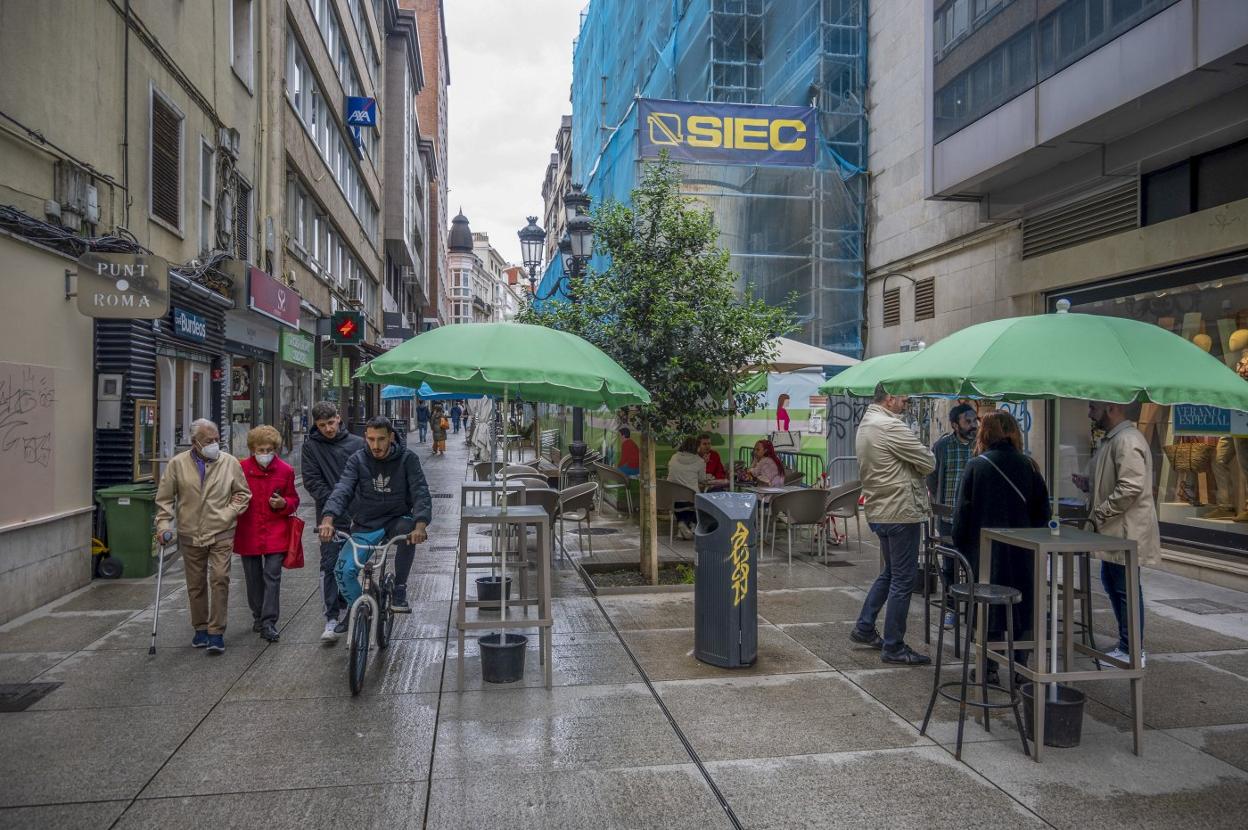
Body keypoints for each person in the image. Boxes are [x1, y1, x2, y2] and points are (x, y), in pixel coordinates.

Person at [951, 411, 1049, 684]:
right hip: (1025, 553)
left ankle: (988, 667)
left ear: (985, 434)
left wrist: (963, 548)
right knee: (1022, 605)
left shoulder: (976, 466)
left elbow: (961, 517)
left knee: (988, 608)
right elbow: (1044, 513)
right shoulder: (1030, 466)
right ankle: (1021, 666)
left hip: (986, 554)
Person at [850, 385, 936, 666]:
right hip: (900, 512)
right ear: (890, 399)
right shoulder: (890, 426)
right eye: (904, 400)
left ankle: (864, 627)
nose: (907, 404)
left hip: (880, 510)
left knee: (890, 574)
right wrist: (915, 465)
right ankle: (894, 646)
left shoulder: (866, 423)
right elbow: (928, 461)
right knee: (903, 579)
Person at [1072, 400, 1160, 667]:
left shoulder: (1127, 439)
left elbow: (1130, 487)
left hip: (1124, 530)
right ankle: (1128, 645)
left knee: (1125, 589)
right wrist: (1089, 484)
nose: (1089, 413)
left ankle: (1132, 649)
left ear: (1111, 407)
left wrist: (1100, 512)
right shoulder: (1115, 439)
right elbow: (1117, 481)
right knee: (1114, 583)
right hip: (1115, 531)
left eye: (1093, 407)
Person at [154, 419, 251, 655]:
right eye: (209, 441)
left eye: (217, 439)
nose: (215, 444)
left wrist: (228, 513)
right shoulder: (177, 464)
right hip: (190, 533)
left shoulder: (229, 463)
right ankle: (200, 628)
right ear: (195, 442)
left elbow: (242, 493)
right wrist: (164, 525)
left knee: (220, 578)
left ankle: (216, 632)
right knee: (195, 584)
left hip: (221, 531)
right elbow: (165, 499)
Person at [318, 416, 432, 612]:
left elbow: (420, 491)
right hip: (366, 522)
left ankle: (400, 588)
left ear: (391, 438)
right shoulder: (357, 459)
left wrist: (420, 525)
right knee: (343, 572)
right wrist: (327, 519)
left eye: (380, 439)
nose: (375, 445)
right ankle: (359, 611)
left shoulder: (408, 459)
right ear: (365, 438)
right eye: (371, 439)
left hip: (397, 519)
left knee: (408, 532)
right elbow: (342, 489)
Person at [301, 401, 366, 643]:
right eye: (322, 425)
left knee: (353, 565)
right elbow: (311, 480)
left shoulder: (358, 444)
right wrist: (335, 502)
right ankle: (331, 615)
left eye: (331, 423)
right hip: (329, 516)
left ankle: (351, 607)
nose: (328, 429)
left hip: (358, 515)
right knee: (329, 563)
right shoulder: (311, 448)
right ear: (316, 426)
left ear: (339, 418)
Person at [233, 425, 300, 643]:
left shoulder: (285, 471)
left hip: (276, 532)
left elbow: (293, 499)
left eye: (269, 449)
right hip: (249, 531)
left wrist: (284, 503)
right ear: (252, 449)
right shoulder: (240, 468)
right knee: (253, 578)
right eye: (260, 450)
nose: (264, 454)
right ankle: (258, 615)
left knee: (272, 576)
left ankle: (269, 621)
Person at [928, 402, 979, 627]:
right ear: (955, 424)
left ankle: (973, 611)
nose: (973, 425)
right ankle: (951, 607)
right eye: (967, 421)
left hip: (973, 518)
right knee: (949, 565)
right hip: (948, 517)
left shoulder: (980, 445)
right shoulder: (942, 447)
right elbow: (932, 476)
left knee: (973, 565)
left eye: (974, 420)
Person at [666, 436, 709, 539]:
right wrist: (705, 464)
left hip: (672, 498)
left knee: (681, 504)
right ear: (697, 448)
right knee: (701, 501)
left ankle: (682, 525)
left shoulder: (674, 457)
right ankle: (689, 524)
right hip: (691, 498)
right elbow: (702, 479)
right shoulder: (700, 461)